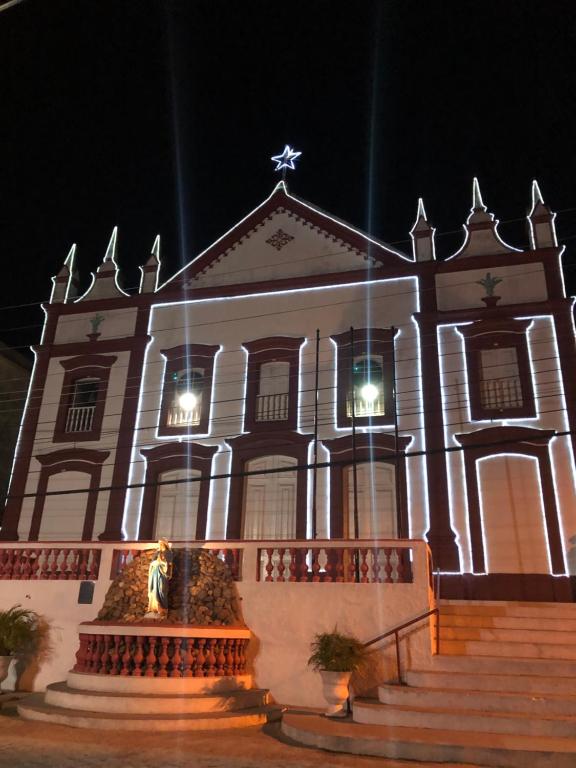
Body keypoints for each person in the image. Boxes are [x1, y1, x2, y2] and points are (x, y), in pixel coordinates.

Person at [147, 538, 173, 617]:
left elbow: (170, 564)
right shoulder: (157, 552)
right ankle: (155, 608)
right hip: (155, 573)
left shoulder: (168, 553)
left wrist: (161, 562)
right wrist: (156, 562)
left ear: (165, 544)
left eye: (161, 544)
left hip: (163, 574)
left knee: (162, 590)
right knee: (154, 589)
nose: (160, 545)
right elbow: (152, 563)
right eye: (159, 544)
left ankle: (163, 609)